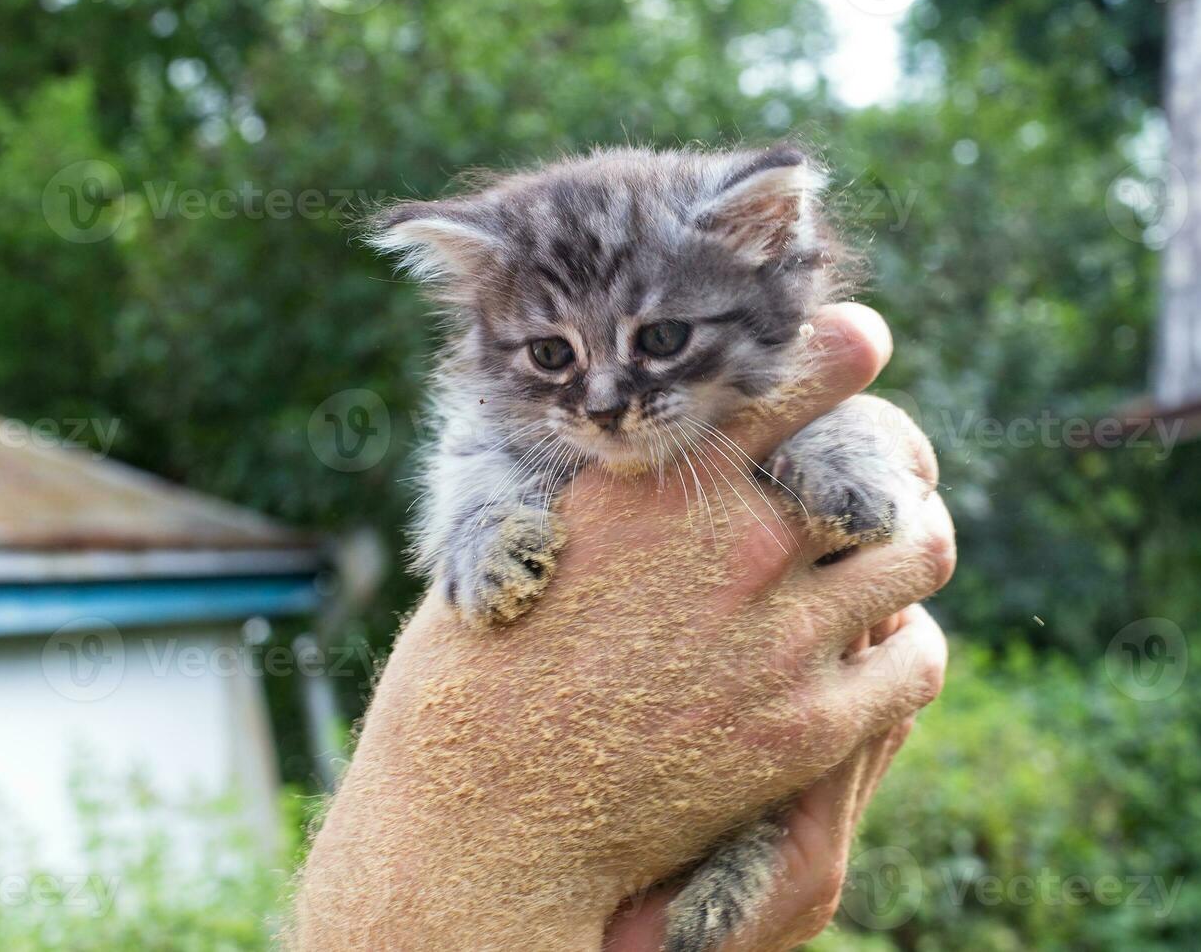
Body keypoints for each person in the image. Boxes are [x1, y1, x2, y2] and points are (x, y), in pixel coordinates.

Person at [293, 304, 957, 950]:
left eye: (661, 337)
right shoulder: (504, 436)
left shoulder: (773, 374)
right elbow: (478, 460)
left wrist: (830, 450)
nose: (606, 399)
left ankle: (741, 843)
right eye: (554, 355)